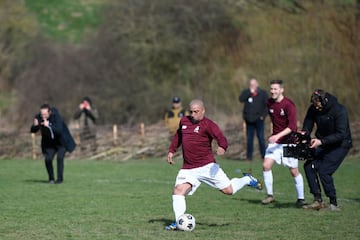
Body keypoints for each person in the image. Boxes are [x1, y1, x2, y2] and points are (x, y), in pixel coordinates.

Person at [165, 99, 262, 231]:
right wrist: (171, 150)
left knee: (229, 191)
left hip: (207, 166)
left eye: (196, 112)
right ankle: (179, 222)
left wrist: (222, 147)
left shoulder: (209, 125)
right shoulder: (184, 121)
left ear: (203, 111)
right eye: (191, 111)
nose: (192, 114)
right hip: (188, 168)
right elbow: (178, 136)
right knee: (178, 192)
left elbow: (221, 138)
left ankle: (247, 179)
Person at [301, 89, 352, 211]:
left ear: (325, 101)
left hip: (341, 144)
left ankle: (333, 203)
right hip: (323, 142)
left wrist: (320, 141)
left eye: (318, 105)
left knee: (324, 170)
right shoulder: (313, 108)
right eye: (314, 105)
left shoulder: (339, 110)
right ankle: (317, 200)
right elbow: (308, 123)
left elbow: (340, 134)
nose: (317, 108)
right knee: (309, 165)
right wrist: (304, 135)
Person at [261, 79, 305, 206]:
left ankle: (301, 199)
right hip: (275, 143)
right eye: (271, 89)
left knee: (293, 170)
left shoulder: (289, 105)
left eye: (275, 89)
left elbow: (292, 127)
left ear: (282, 90)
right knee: (266, 166)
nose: (273, 91)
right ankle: (270, 195)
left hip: (290, 142)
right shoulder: (269, 103)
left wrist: (277, 136)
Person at [31, 104, 76, 184]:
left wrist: (49, 125)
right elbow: (33, 130)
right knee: (48, 159)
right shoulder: (39, 117)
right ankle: (51, 178)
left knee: (60, 158)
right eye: (42, 114)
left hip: (61, 142)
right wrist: (35, 125)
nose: (43, 116)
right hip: (49, 143)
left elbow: (59, 130)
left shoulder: (57, 117)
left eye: (45, 114)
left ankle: (59, 179)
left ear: (50, 112)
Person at [239, 78, 268, 161]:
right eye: (251, 84)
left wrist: (263, 116)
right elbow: (241, 99)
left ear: (257, 85)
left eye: (254, 84)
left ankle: (264, 156)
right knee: (249, 139)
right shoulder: (247, 93)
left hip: (259, 120)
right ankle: (249, 157)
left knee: (261, 138)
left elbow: (267, 106)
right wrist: (249, 93)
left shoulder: (263, 93)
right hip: (249, 120)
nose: (252, 86)